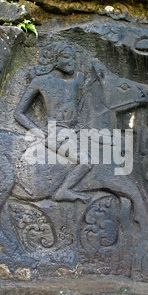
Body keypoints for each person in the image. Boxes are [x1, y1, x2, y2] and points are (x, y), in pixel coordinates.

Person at [14, 42, 91, 202]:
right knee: (86, 161)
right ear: (55, 61)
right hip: (55, 131)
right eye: (66, 57)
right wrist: (38, 132)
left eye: (74, 58)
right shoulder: (40, 82)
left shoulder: (78, 79)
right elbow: (19, 113)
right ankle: (64, 191)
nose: (72, 62)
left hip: (71, 130)